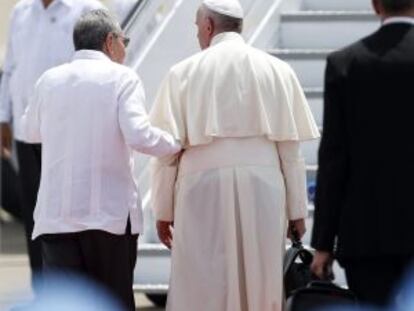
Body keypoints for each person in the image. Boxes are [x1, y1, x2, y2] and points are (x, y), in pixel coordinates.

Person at [149, 0, 319, 310]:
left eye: (197, 27)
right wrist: (297, 210)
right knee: (260, 277)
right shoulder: (277, 70)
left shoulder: (182, 72)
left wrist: (162, 210)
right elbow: (290, 152)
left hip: (202, 189)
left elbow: (167, 153)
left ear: (209, 27)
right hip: (264, 187)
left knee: (203, 282)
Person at [22, 10, 181, 310]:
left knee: (65, 305)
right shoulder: (123, 78)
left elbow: (30, 132)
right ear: (110, 42)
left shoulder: (49, 80)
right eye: (125, 41)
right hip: (108, 219)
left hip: (56, 218)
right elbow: (139, 135)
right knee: (112, 303)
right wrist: (176, 144)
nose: (125, 48)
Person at [311, 0, 414, 306]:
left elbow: (333, 159)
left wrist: (323, 243)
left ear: (375, 5)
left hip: (366, 234)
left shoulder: (345, 63)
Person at [0, 0, 104, 287]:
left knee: (70, 214)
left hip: (69, 134)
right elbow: (10, 68)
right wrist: (3, 117)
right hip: (26, 130)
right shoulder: (21, 12)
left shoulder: (86, 9)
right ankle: (42, 289)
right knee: (35, 214)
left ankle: (75, 289)